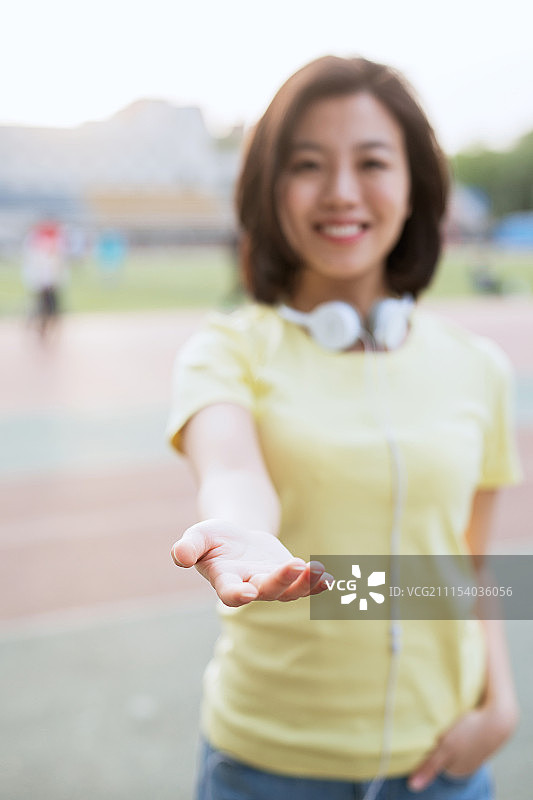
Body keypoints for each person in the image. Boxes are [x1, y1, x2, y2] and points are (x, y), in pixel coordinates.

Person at [167, 56, 522, 800]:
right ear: (269, 188)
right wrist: (244, 538)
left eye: (371, 162)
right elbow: (232, 474)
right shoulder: (227, 351)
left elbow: (467, 562)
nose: (340, 192)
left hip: (443, 766)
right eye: (307, 165)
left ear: (414, 186)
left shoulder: (478, 368)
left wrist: (500, 703)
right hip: (265, 769)